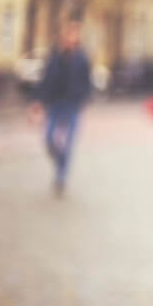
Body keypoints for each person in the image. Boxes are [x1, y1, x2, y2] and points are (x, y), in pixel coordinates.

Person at [29, 16, 92, 195]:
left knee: (68, 143)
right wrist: (37, 100)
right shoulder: (54, 56)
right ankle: (59, 162)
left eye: (76, 33)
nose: (73, 36)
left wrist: (84, 98)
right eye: (70, 32)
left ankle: (61, 177)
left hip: (72, 105)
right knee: (49, 139)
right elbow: (45, 79)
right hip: (55, 104)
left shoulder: (82, 58)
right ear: (65, 35)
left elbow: (86, 82)